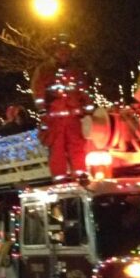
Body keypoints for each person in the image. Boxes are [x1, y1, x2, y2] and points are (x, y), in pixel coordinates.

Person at [30, 34, 93, 182]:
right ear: (54, 51)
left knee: (77, 146)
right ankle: (60, 177)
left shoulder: (76, 71)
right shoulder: (44, 70)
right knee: (57, 148)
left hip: (74, 117)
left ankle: (80, 174)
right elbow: (38, 91)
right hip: (54, 117)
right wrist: (43, 110)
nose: (64, 53)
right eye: (61, 50)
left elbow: (84, 91)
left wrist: (89, 110)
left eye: (66, 50)